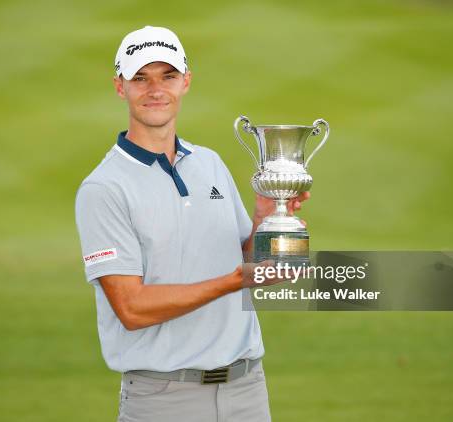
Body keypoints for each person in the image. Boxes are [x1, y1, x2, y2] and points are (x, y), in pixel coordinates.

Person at [75, 25, 309, 422]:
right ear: (120, 87)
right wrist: (236, 279)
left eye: (167, 76)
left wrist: (267, 220)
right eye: (140, 78)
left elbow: (244, 257)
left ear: (186, 81)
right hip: (164, 399)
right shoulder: (104, 187)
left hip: (247, 390)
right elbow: (131, 308)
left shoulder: (210, 163)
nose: (155, 90)